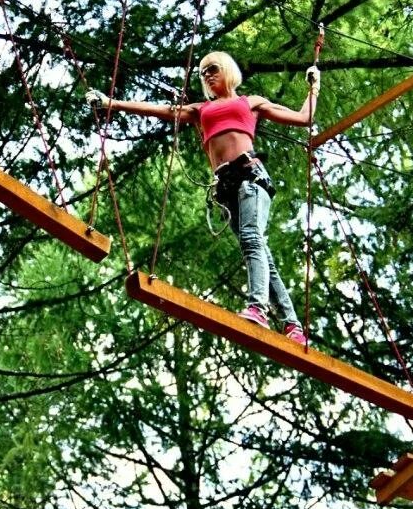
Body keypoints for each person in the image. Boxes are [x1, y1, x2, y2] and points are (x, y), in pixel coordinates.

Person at [86, 51, 320, 345]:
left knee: (251, 239)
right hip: (226, 189)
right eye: (203, 72)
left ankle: (258, 307)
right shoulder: (199, 110)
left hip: (251, 176)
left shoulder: (250, 102)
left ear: (227, 71)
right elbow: (159, 110)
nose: (207, 75)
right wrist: (112, 103)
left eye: (213, 69)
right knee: (259, 249)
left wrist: (314, 88)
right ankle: (292, 326)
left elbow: (304, 118)